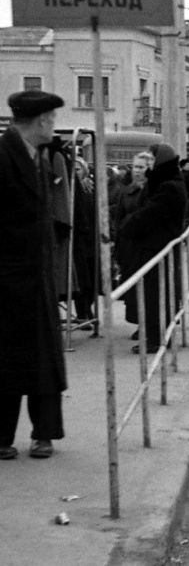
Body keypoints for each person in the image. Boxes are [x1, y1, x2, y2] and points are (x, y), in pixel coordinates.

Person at [0, 90, 67, 460]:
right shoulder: (3, 156)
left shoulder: (40, 157)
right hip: (8, 280)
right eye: (52, 119)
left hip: (37, 277)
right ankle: (2, 437)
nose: (54, 126)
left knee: (44, 360)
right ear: (40, 121)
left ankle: (45, 433)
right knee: (7, 360)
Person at [118, 143, 188, 354]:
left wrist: (126, 225)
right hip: (155, 247)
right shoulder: (167, 183)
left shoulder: (167, 187)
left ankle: (155, 340)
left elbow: (147, 215)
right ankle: (154, 335)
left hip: (155, 248)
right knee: (154, 293)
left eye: (151, 161)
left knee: (153, 294)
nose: (147, 167)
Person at [114, 151, 154, 341]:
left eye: (141, 167)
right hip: (128, 247)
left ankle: (149, 325)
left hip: (145, 245)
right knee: (133, 288)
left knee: (147, 287)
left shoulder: (153, 190)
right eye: (135, 166)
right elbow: (118, 219)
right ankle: (140, 323)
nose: (136, 171)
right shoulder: (127, 190)